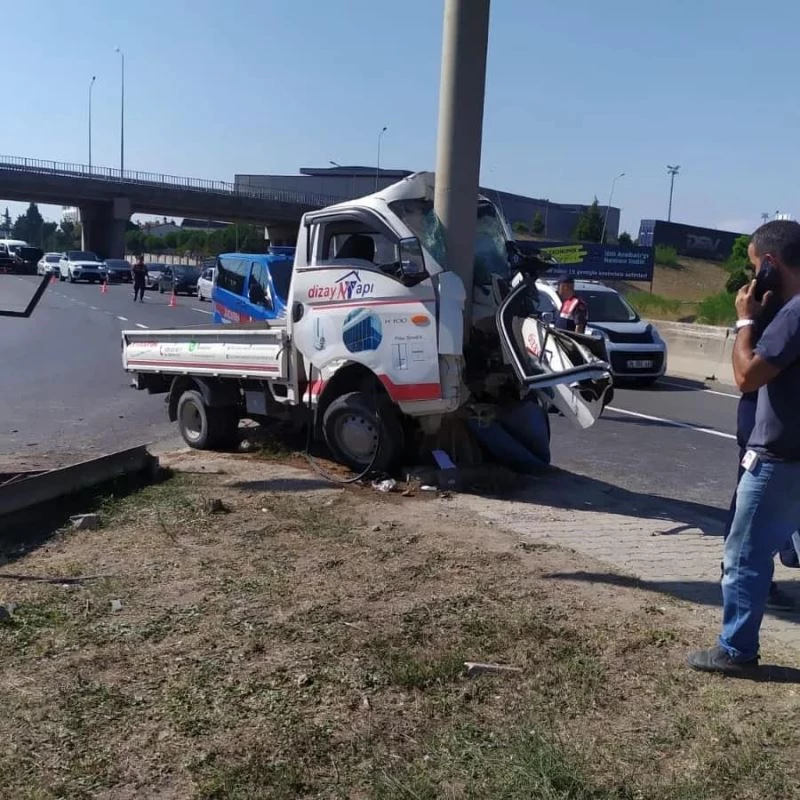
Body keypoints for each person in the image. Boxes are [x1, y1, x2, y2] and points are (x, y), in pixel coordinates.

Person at [689, 220, 800, 676]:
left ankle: (736, 650)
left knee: (744, 556)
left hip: (779, 458)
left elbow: (746, 376)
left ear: (770, 265)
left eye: (756, 266)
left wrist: (745, 321)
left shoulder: (794, 313)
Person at [722, 292, 796, 613]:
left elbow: (746, 375)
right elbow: (746, 377)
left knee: (753, 526)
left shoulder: (786, 314)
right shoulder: (778, 313)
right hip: (762, 437)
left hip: (777, 442)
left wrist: (747, 320)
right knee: (747, 524)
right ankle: (752, 590)